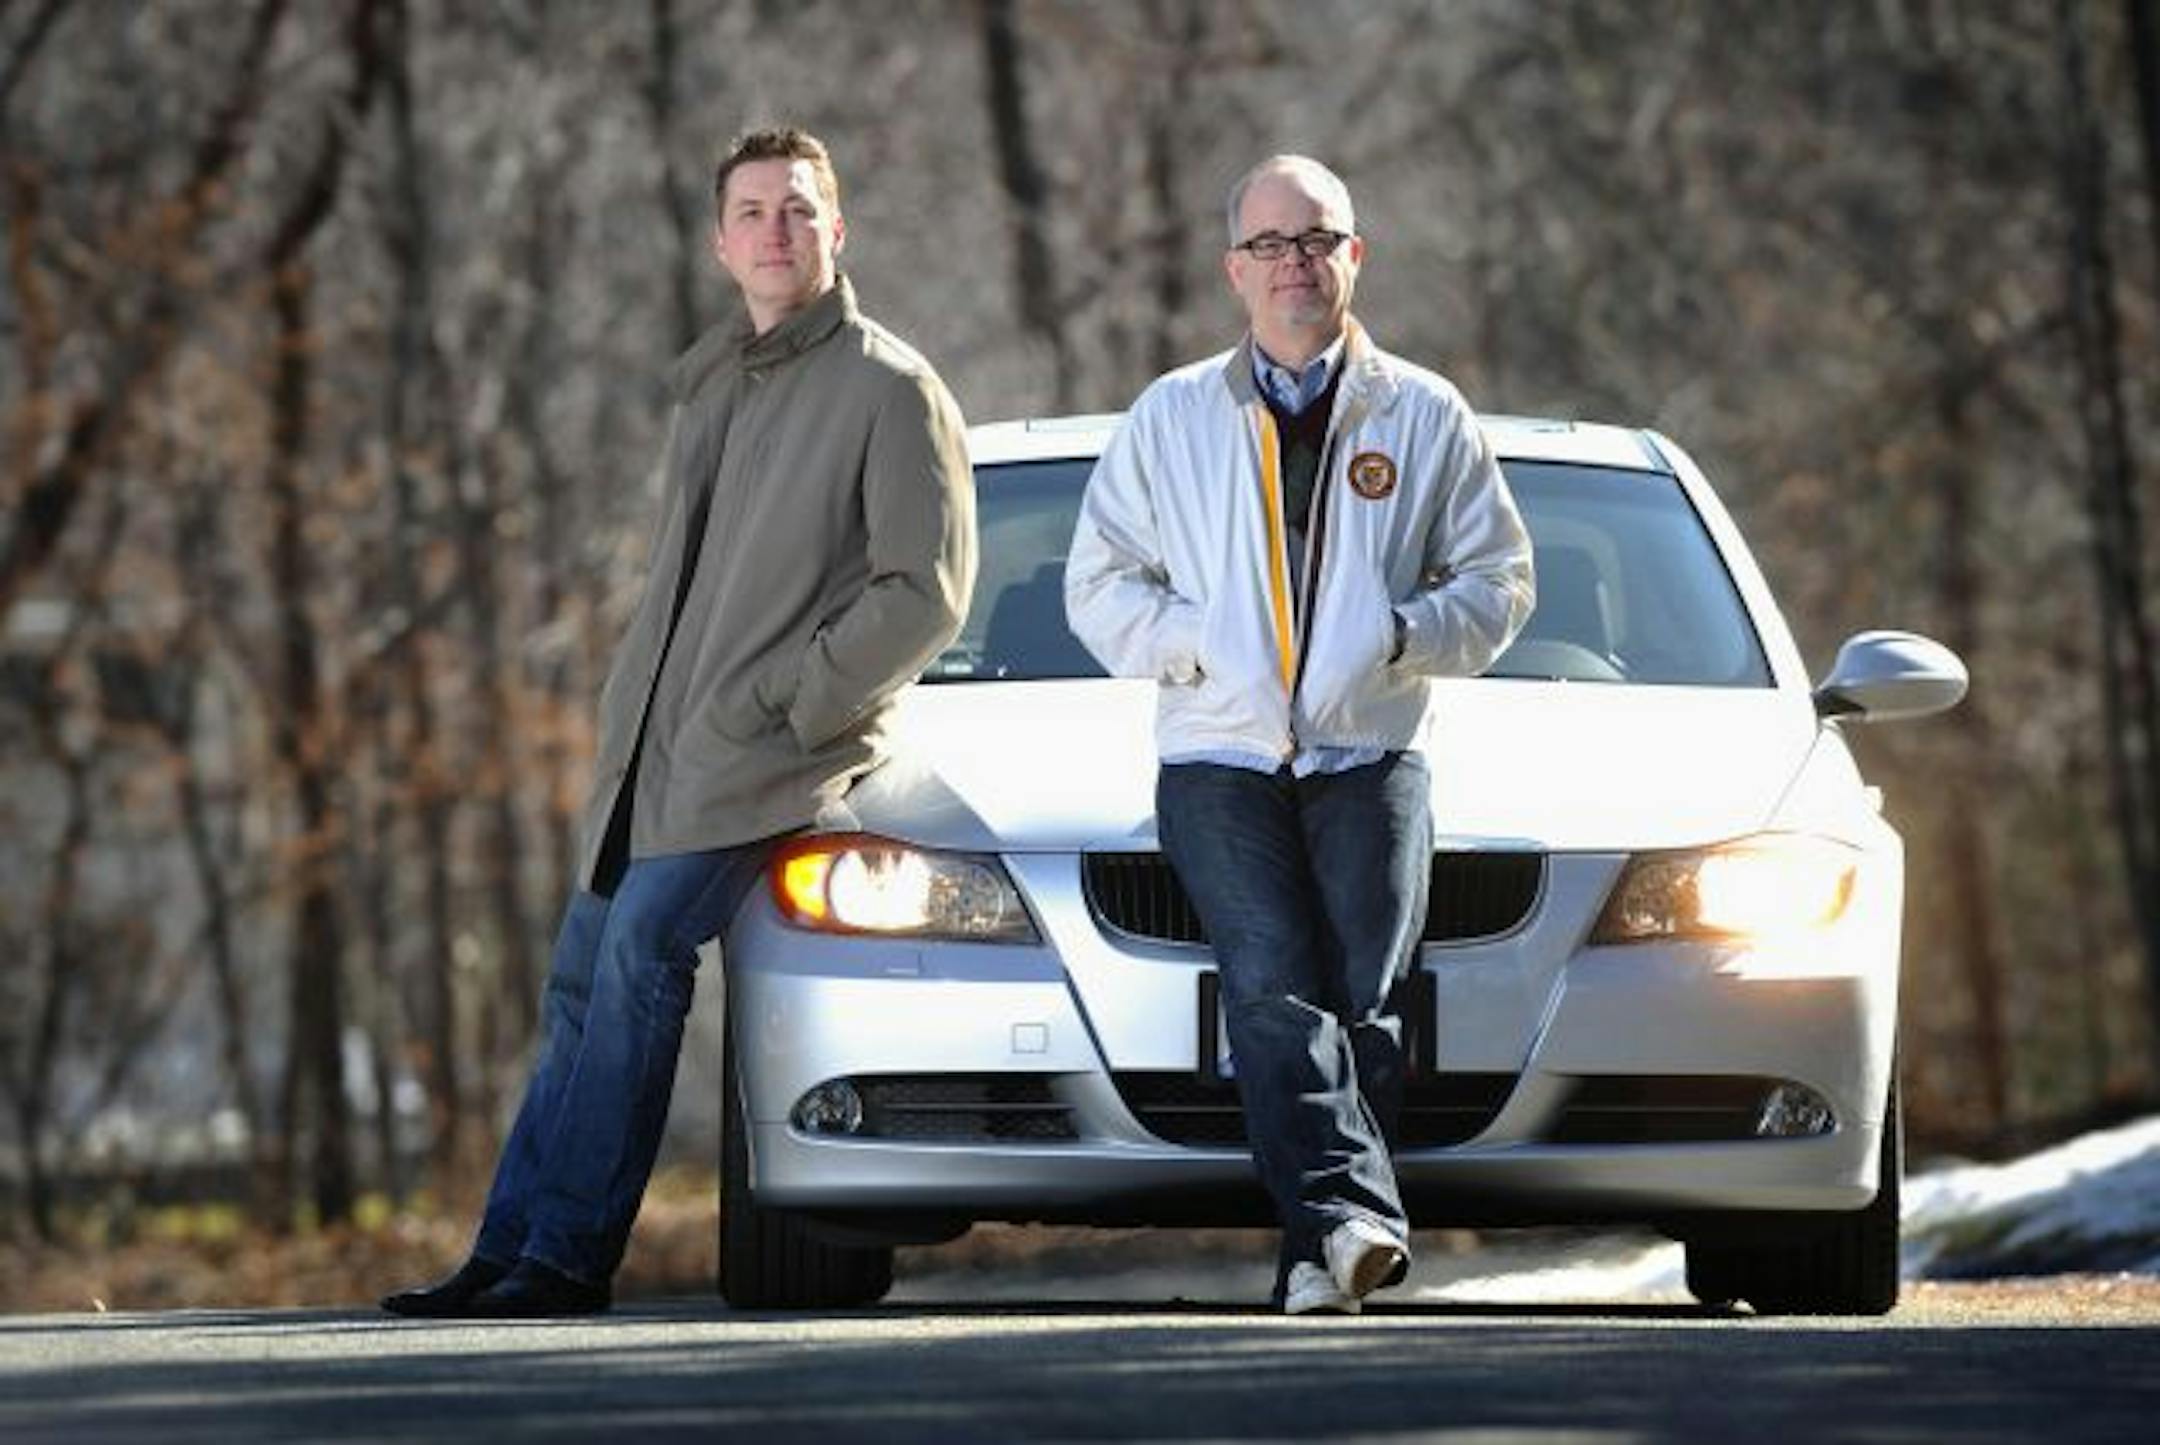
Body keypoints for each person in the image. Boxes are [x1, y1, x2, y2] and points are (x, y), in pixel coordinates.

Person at [383, 127, 976, 1318]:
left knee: (644, 959)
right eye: (752, 212)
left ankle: (568, 1257)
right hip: (653, 758)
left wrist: (792, 704)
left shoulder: (887, 385)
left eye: (798, 211)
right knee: (576, 986)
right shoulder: (716, 384)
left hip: (763, 758)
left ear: (835, 231)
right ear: (720, 243)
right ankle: (507, 1246)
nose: (775, 230)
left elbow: (926, 591)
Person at [1065, 155, 1533, 1315]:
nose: (1296, 265)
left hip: (1368, 753)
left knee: (1366, 1003)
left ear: (1354, 256)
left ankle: (1318, 1254)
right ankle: (1355, 1217)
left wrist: (1400, 633)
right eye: (1271, 244)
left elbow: (1502, 580)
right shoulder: (1171, 416)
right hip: (1217, 755)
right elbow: (1096, 583)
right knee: (1275, 991)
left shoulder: (1423, 413)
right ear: (1235, 270)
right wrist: (1196, 644)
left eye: (1317, 239)